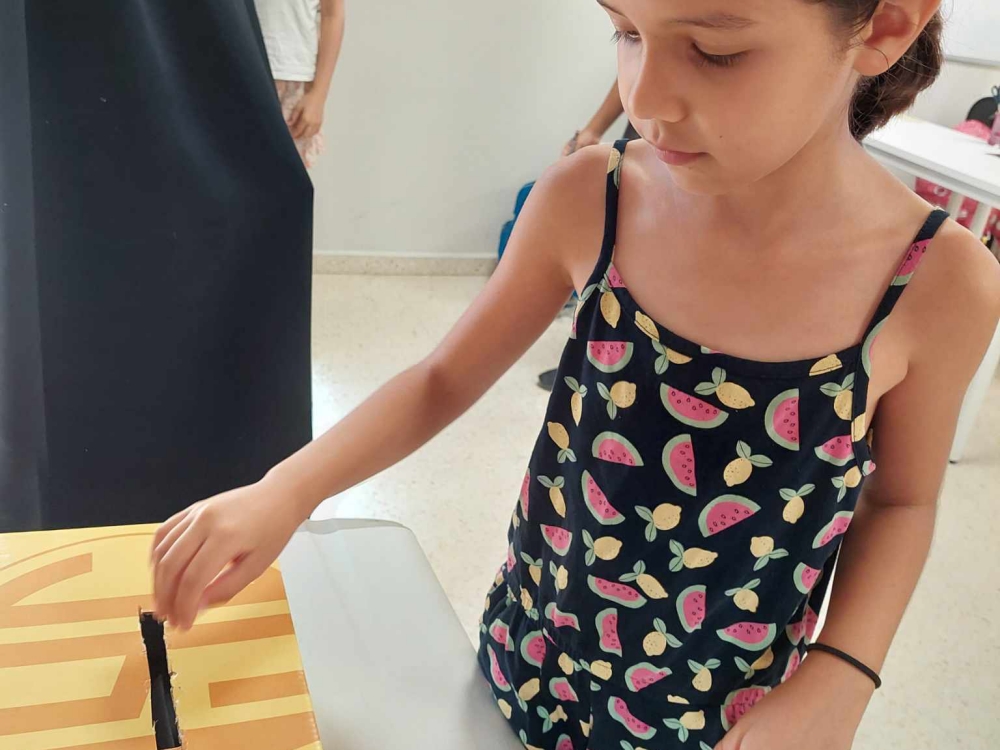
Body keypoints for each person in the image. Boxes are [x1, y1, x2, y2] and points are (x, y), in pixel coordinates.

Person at [150, 1, 1000, 747]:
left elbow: (903, 501)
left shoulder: (937, 282)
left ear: (887, 24)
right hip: (534, 653)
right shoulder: (593, 197)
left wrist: (843, 675)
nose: (644, 99)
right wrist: (288, 489)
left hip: (732, 709)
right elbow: (443, 377)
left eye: (716, 51)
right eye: (625, 32)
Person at [255, 0, 345, 168]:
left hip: (292, 81)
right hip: (234, 71)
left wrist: (318, 96)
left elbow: (332, 15)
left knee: (281, 176)